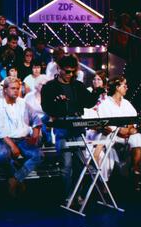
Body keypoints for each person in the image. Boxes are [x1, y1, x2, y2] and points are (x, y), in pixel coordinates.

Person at [41, 55, 102, 203]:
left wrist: (96, 92)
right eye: (66, 71)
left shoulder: (78, 85)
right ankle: (67, 196)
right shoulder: (49, 87)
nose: (69, 74)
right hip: (62, 125)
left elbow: (88, 103)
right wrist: (57, 103)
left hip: (78, 123)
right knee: (66, 165)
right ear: (59, 69)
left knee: (81, 164)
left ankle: (77, 194)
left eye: (72, 72)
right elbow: (47, 108)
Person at [0, 77, 44, 196]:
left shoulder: (23, 103)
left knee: (39, 155)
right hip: (3, 139)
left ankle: (15, 179)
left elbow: (36, 119)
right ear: (5, 90)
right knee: (2, 156)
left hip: (22, 139)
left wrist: (35, 136)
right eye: (13, 88)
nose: (16, 91)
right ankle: (16, 178)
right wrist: (13, 146)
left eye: (18, 89)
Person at [97, 76, 141, 191]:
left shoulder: (126, 103)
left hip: (128, 136)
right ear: (117, 87)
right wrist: (122, 131)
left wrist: (129, 130)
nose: (127, 87)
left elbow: (133, 121)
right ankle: (136, 174)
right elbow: (108, 126)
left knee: (137, 137)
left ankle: (136, 170)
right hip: (113, 137)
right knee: (137, 137)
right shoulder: (105, 104)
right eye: (124, 85)